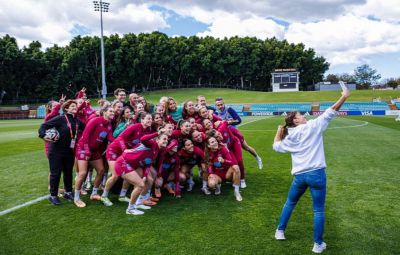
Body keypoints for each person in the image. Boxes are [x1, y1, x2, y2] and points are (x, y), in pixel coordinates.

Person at [272, 89, 350, 254]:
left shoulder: (289, 135)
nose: (304, 116)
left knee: (290, 203)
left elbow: (276, 146)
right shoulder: (312, 126)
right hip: (316, 174)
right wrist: (343, 96)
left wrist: (278, 133)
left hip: (299, 176)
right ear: (295, 121)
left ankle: (280, 231)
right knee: (318, 210)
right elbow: (331, 111)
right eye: (300, 115)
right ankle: (318, 244)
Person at [38, 100, 85, 205]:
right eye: (72, 106)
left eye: (75, 106)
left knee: (68, 172)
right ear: (66, 109)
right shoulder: (61, 119)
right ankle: (53, 195)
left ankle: (68, 192)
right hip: (55, 151)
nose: (75, 107)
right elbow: (44, 126)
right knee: (56, 173)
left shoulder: (77, 121)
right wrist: (43, 135)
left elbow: (87, 129)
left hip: (69, 151)